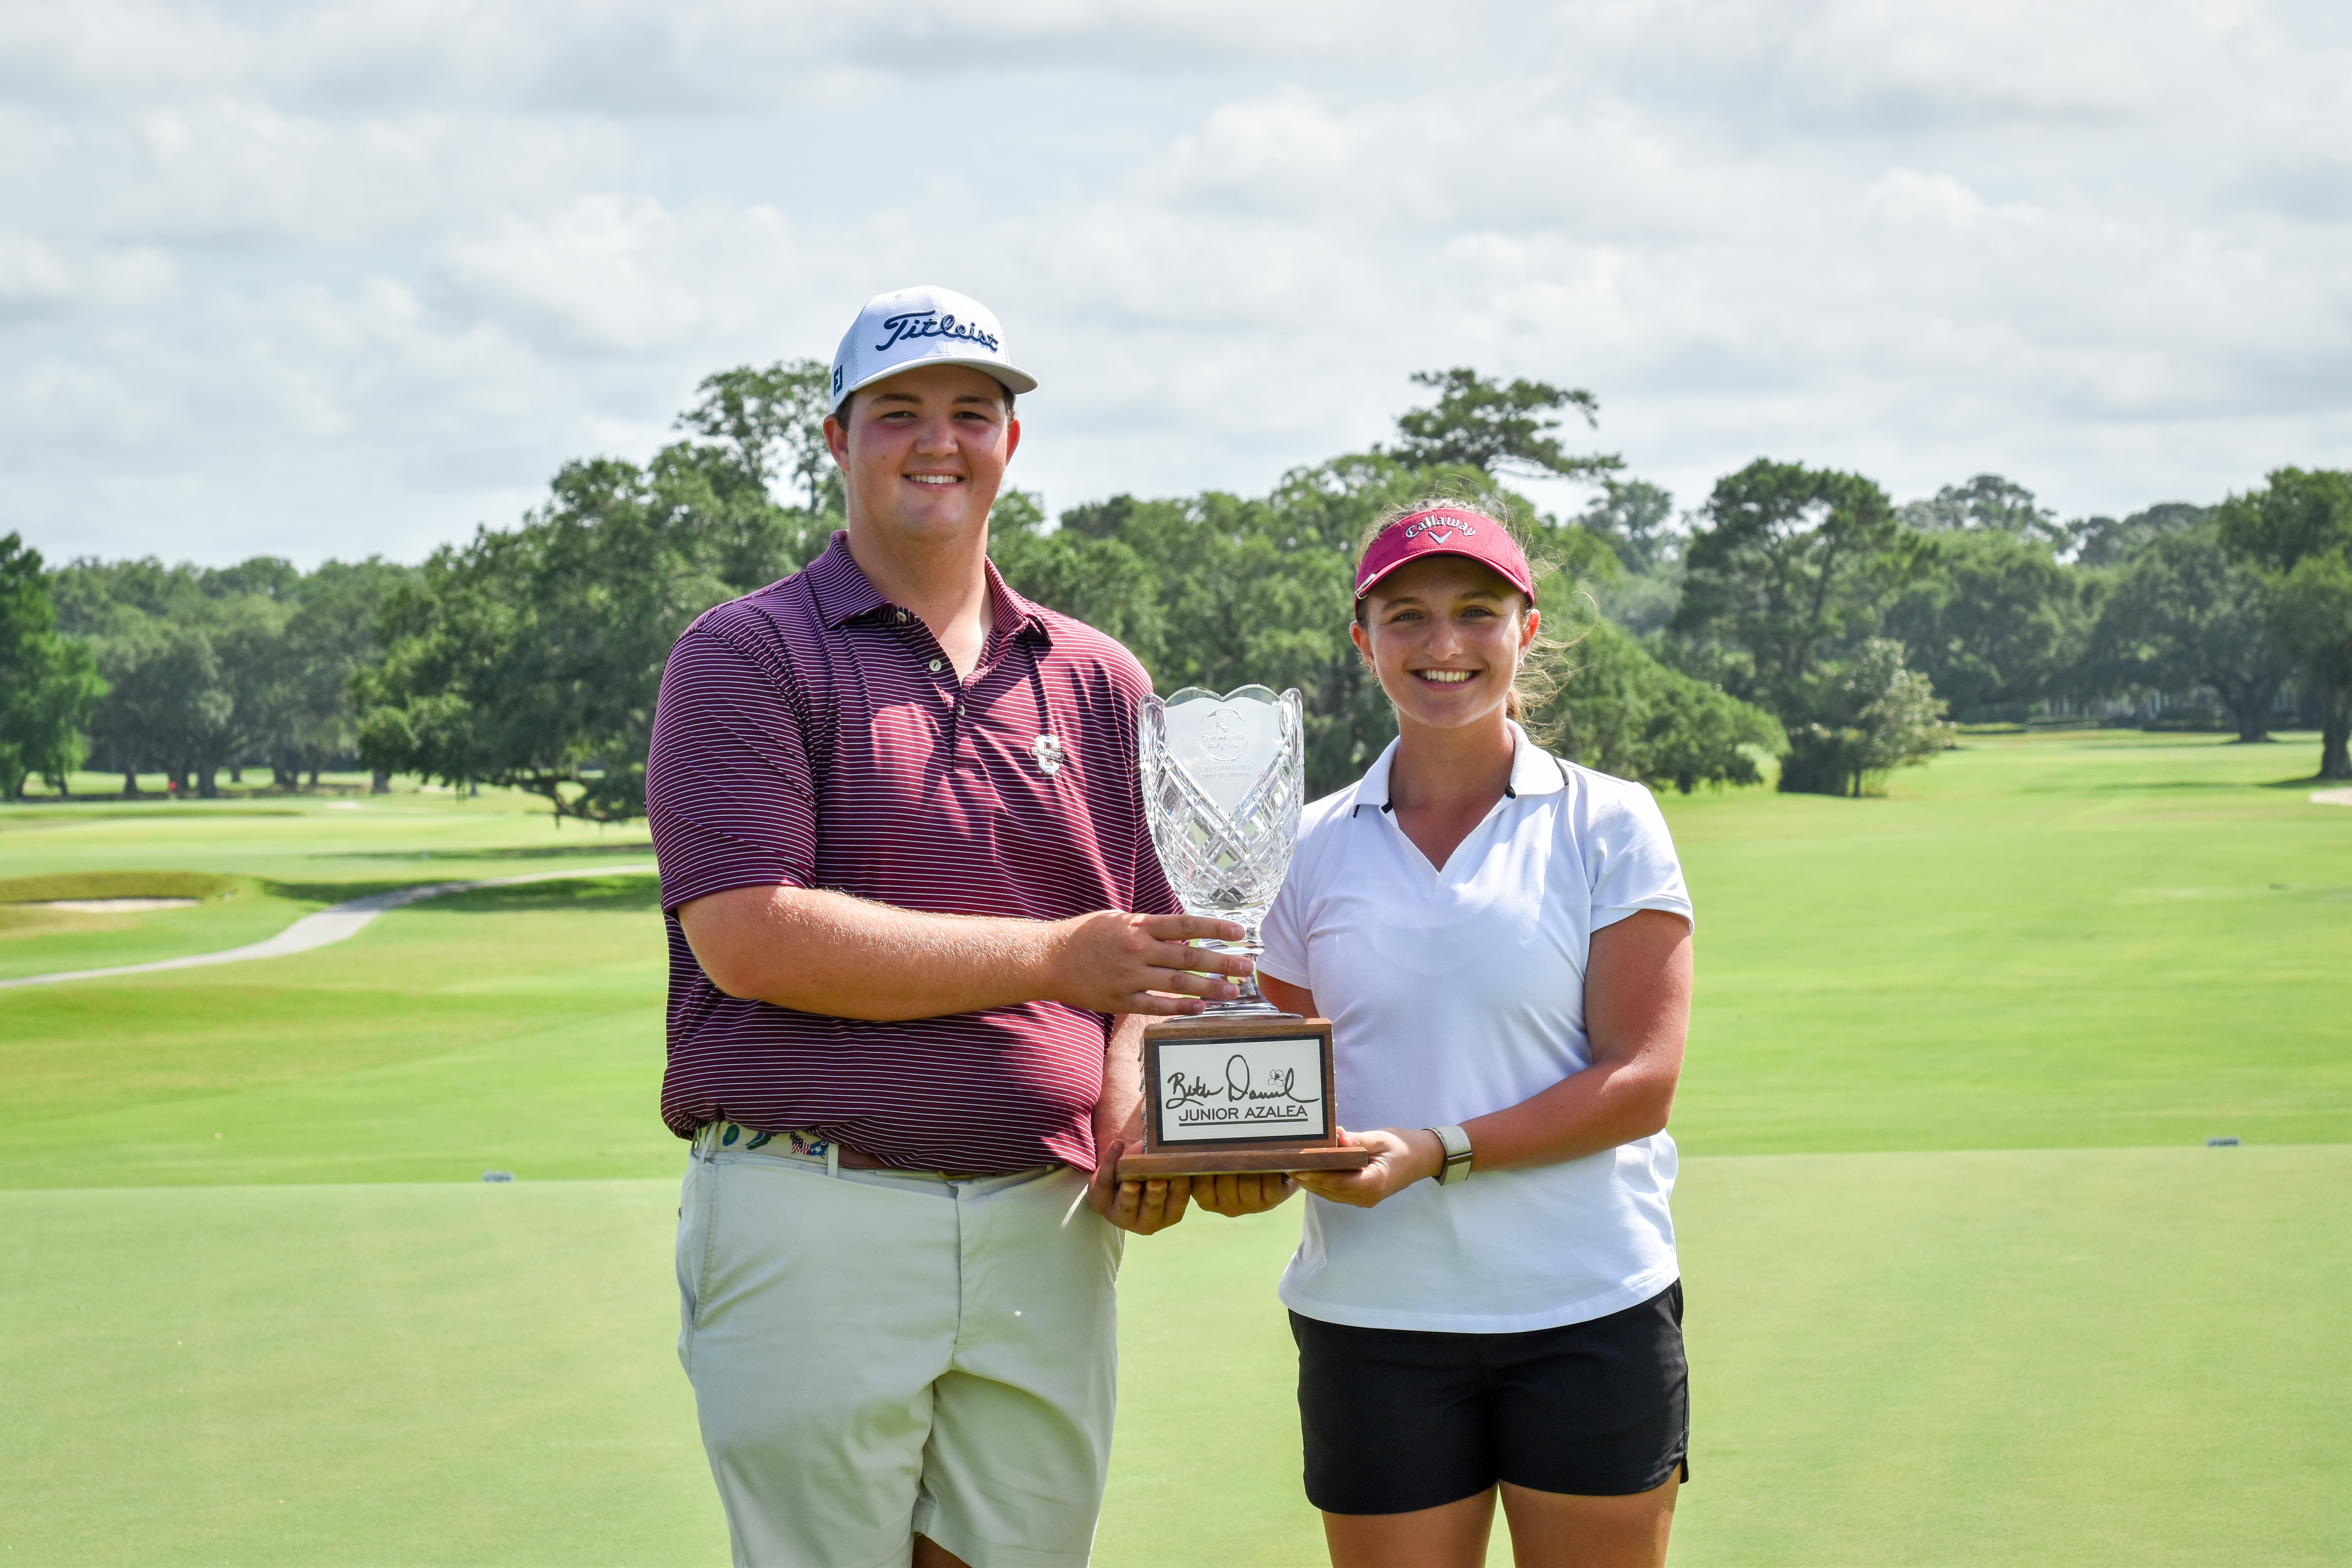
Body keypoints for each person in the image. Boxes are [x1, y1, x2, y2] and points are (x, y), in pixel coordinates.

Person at [644, 283, 1270, 1568]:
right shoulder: (746, 653)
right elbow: (750, 937)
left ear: (1011, 443)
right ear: (837, 438)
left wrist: (1134, 1127)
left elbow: (1148, 968)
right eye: (899, 413)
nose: (939, 441)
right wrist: (1058, 956)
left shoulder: (1100, 677)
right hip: (815, 1206)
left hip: (1045, 1221)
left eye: (972, 413)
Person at [1234, 500, 1695, 1568]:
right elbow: (1277, 1088)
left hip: (1588, 1305)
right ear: (1364, 641)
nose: (1444, 642)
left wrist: (1436, 1152)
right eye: (1407, 616)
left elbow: (1641, 1080)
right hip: (1374, 1317)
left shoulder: (1608, 820)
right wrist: (1226, 1162)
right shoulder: (1302, 846)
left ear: (1525, 631)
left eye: (1477, 612)